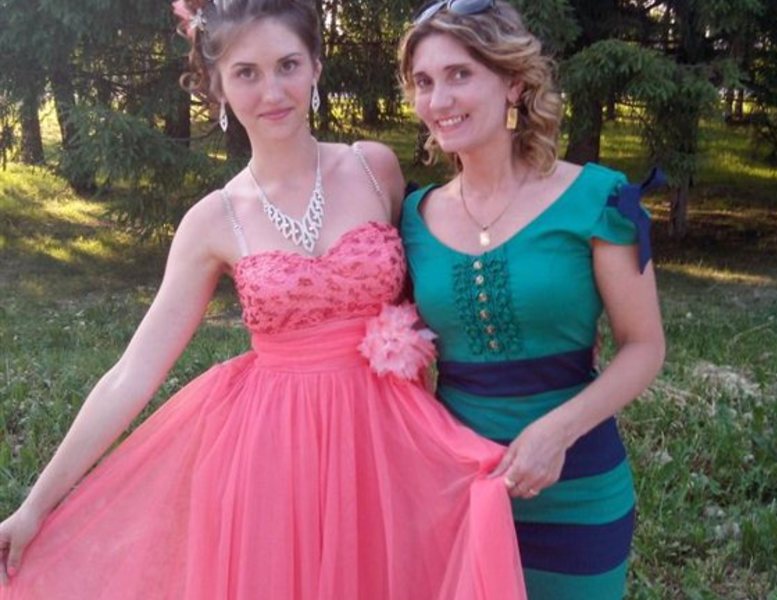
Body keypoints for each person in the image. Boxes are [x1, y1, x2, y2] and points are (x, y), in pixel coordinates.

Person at [0, 1, 527, 597]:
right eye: (246, 72)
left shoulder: (373, 168)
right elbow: (132, 372)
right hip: (275, 460)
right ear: (218, 86)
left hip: (385, 450)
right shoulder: (212, 221)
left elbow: (431, 294)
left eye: (287, 65)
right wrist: (37, 504)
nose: (272, 91)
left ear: (315, 67)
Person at [398, 1, 666, 598]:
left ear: (514, 83)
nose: (439, 100)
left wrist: (557, 433)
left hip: (578, 493)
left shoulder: (598, 199)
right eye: (424, 81)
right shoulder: (412, 218)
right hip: (458, 492)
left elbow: (644, 347)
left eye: (460, 74)